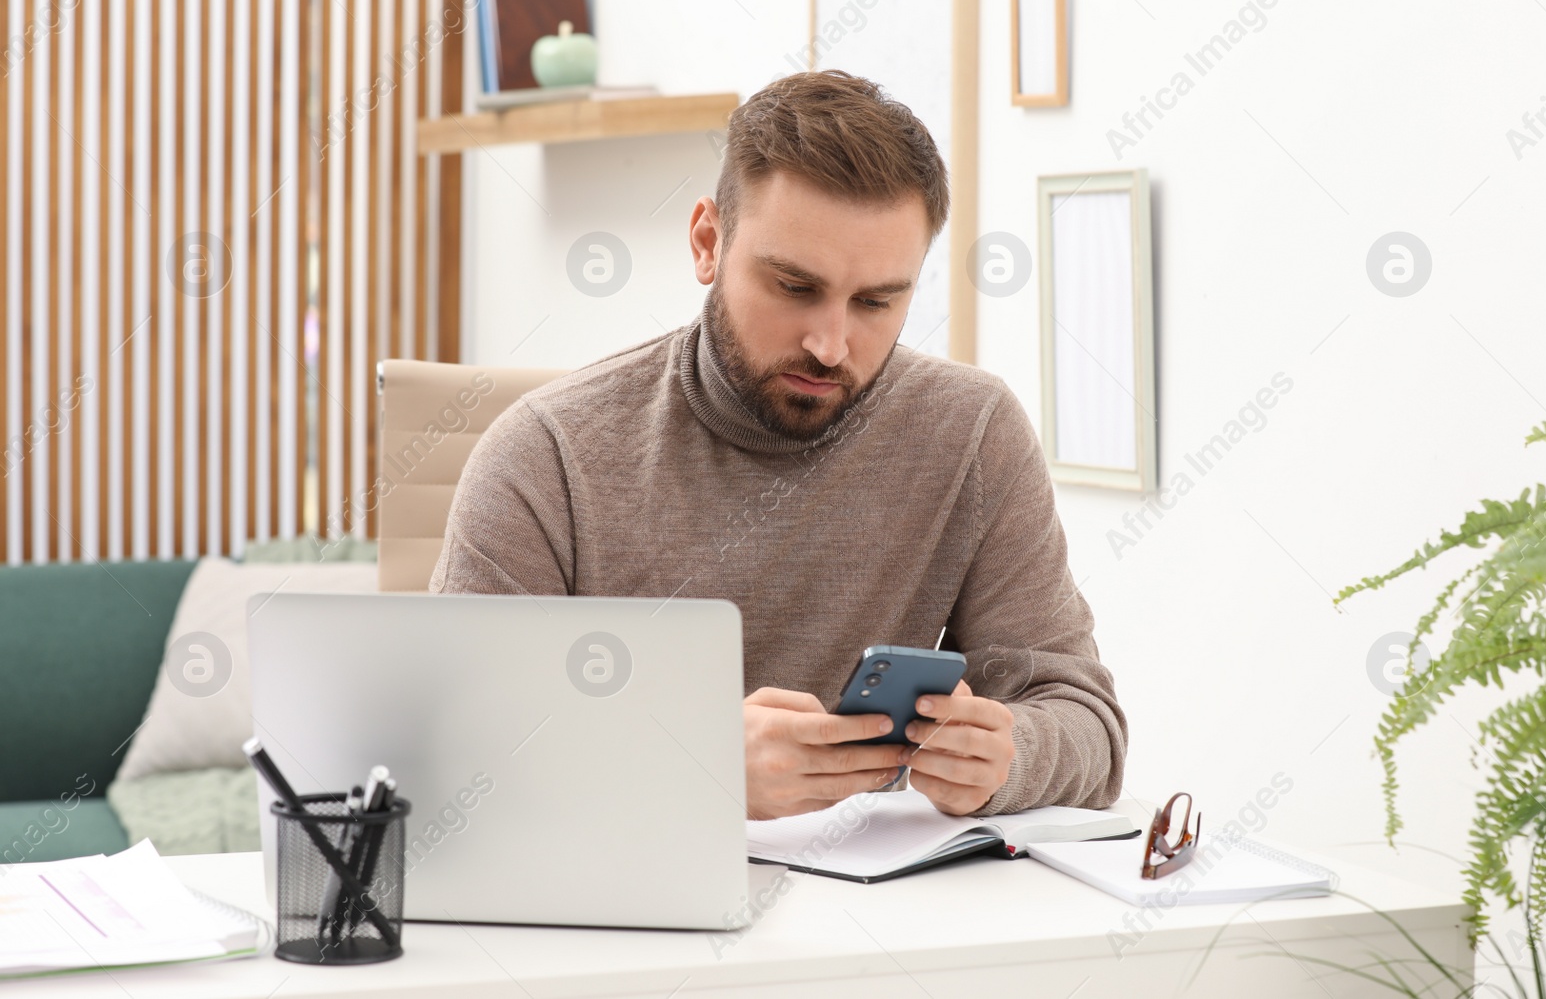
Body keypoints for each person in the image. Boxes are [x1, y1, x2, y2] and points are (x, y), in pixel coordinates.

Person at [431, 69, 1126, 821]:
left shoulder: (974, 434)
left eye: (876, 302)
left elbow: (1087, 721)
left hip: (885, 916)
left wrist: (1010, 753)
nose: (831, 345)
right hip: (625, 919)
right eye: (795, 287)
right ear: (707, 241)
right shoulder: (545, 456)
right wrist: (690, 765)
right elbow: (445, 752)